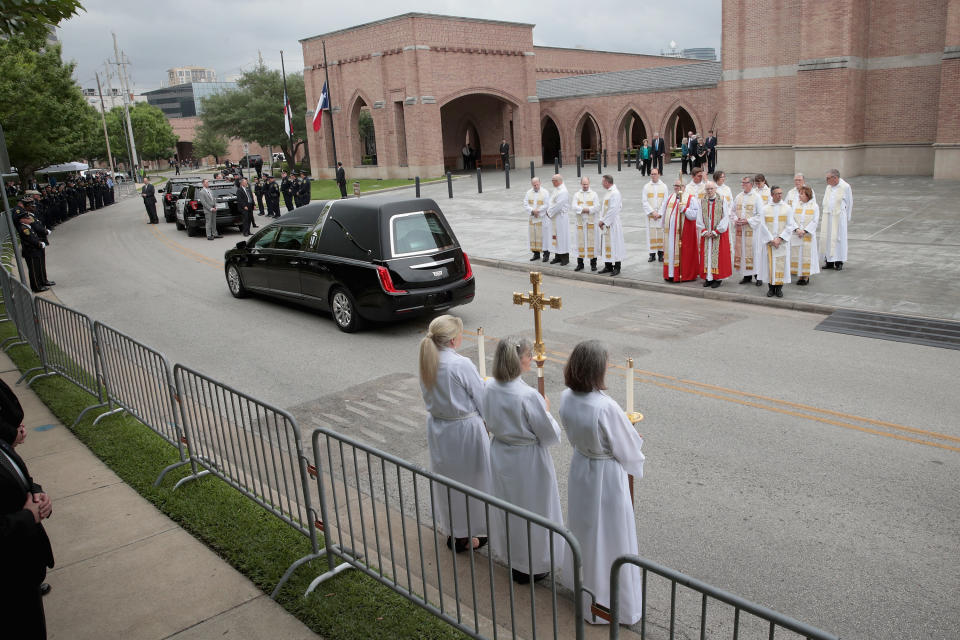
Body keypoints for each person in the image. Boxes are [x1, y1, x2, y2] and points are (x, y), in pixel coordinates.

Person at [559, 340, 645, 625]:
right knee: (611, 535)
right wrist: (631, 431)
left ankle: (587, 592)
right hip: (606, 476)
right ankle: (611, 604)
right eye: (606, 363)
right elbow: (629, 448)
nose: (609, 367)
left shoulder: (566, 397)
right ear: (596, 369)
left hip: (581, 467)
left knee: (586, 533)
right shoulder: (605, 406)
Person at [482, 337, 564, 584]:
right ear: (518, 361)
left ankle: (513, 558)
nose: (532, 359)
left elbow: (487, 419)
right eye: (529, 355)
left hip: (500, 453)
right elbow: (549, 435)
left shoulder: (489, 387)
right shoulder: (528, 396)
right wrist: (547, 410)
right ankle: (533, 564)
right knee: (534, 510)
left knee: (508, 508)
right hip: (527, 461)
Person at [418, 315, 492, 553]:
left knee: (448, 482)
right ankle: (466, 534)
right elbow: (481, 399)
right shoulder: (460, 364)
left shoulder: (428, 359)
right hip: (463, 430)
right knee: (472, 482)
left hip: (440, 428)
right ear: (452, 340)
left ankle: (454, 529)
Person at [1, 379, 55, 640]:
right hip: (9, 580)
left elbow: (21, 479)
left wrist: (37, 494)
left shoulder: (2, 448)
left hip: (25, 571)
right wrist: (27, 516)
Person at [757, 186, 797, 298]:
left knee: (781, 265)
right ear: (772, 195)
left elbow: (790, 225)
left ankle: (779, 289)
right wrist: (771, 239)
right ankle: (770, 288)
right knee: (769, 265)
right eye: (777, 193)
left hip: (781, 243)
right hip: (770, 242)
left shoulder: (787, 208)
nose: (780, 195)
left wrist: (780, 238)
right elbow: (763, 225)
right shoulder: (765, 209)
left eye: (781, 193)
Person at [660, 177, 700, 282]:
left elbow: (695, 215)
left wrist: (685, 209)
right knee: (671, 252)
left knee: (683, 253)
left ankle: (683, 274)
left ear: (684, 187)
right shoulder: (670, 197)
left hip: (684, 232)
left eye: (678, 186)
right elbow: (664, 212)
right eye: (675, 186)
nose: (676, 188)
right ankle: (671, 274)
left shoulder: (691, 198)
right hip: (670, 232)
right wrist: (663, 225)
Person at [698, 180, 732, 288]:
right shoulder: (702, 201)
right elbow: (699, 217)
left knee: (718, 257)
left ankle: (718, 278)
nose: (709, 191)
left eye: (711, 188)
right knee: (706, 256)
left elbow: (725, 217)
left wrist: (716, 231)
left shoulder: (722, 201)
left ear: (715, 189)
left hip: (718, 235)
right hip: (706, 235)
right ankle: (709, 278)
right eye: (707, 189)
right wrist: (703, 230)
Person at [731, 176, 764, 285]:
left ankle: (758, 276)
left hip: (753, 232)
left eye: (745, 183)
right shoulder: (738, 196)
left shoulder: (757, 197)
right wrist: (736, 219)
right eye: (742, 183)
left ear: (751, 184)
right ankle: (746, 276)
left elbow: (760, 215)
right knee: (743, 252)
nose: (743, 185)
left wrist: (748, 221)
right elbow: (732, 211)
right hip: (741, 231)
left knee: (754, 252)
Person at [820, 168, 853, 270]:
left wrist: (847, 217)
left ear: (835, 178)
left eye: (828, 178)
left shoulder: (845, 186)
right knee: (828, 238)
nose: (826, 181)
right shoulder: (829, 187)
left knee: (838, 238)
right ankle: (829, 261)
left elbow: (849, 202)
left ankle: (839, 261)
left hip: (839, 217)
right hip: (828, 216)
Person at [790, 185, 820, 285]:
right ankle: (799, 275)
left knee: (806, 256)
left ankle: (806, 276)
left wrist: (805, 231)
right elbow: (791, 218)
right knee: (798, 255)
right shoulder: (796, 205)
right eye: (799, 193)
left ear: (808, 195)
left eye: (802, 194)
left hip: (807, 236)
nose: (799, 196)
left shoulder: (814, 206)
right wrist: (797, 229)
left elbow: (815, 221)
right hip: (797, 234)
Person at [597, 175, 624, 276]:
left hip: (613, 224)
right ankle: (608, 266)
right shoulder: (609, 193)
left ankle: (617, 267)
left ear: (607, 182)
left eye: (603, 182)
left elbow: (613, 209)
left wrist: (604, 221)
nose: (602, 183)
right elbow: (604, 208)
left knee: (615, 244)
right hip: (606, 223)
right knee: (606, 245)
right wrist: (601, 219)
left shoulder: (615, 193)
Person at [572, 177, 599, 272]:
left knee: (592, 243)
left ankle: (593, 264)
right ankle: (580, 264)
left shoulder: (594, 194)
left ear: (589, 184)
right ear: (581, 184)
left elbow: (597, 207)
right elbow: (574, 206)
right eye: (583, 184)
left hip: (591, 223)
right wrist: (583, 209)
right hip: (580, 224)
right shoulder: (577, 195)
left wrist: (588, 209)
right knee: (580, 243)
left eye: (587, 184)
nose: (585, 186)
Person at [642, 168, 668, 262]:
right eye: (652, 174)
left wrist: (660, 213)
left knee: (661, 233)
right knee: (651, 234)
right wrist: (653, 212)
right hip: (651, 215)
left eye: (655, 174)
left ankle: (661, 253)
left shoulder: (664, 186)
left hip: (660, 215)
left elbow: (665, 201)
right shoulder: (646, 186)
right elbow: (644, 201)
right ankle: (652, 254)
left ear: (659, 174)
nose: (654, 176)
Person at [524, 177, 550, 262]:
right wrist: (532, 211)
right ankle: (536, 254)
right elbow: (525, 204)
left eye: (537, 184)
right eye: (534, 184)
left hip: (542, 218)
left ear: (540, 183)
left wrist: (538, 211)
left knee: (544, 236)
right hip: (533, 218)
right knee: (534, 236)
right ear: (532, 184)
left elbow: (546, 204)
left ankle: (546, 254)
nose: (535, 186)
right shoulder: (528, 193)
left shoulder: (545, 192)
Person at [547, 174, 570, 266]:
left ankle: (565, 258)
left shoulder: (563, 191)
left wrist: (549, 213)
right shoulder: (556, 189)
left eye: (554, 180)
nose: (552, 182)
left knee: (562, 237)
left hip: (561, 217)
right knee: (555, 236)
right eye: (552, 180)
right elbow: (551, 201)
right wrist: (549, 210)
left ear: (559, 181)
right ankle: (557, 256)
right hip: (555, 217)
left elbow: (558, 205)